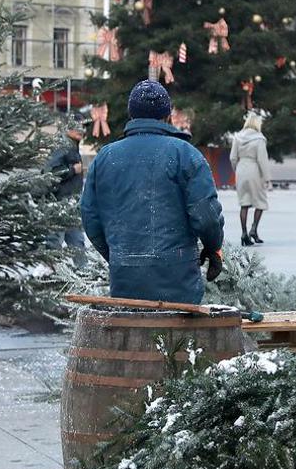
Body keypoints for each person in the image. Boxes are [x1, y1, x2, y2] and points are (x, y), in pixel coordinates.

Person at [80, 80, 225, 303]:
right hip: (178, 279)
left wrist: (118, 255)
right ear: (167, 115)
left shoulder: (105, 158)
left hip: (125, 279)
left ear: (131, 115)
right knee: (177, 337)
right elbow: (205, 215)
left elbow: (90, 216)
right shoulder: (185, 154)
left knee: (133, 336)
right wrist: (213, 247)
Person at [45, 123, 87, 263]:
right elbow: (50, 173)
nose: (82, 130)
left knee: (77, 241)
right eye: (77, 127)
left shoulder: (72, 146)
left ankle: (83, 275)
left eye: (84, 127)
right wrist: (72, 170)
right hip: (59, 203)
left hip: (71, 204)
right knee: (54, 241)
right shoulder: (62, 146)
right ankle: (49, 273)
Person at [229, 112, 272, 246]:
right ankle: (254, 229)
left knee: (244, 203)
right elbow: (262, 160)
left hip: (241, 169)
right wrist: (267, 178)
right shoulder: (259, 139)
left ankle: (244, 233)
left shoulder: (237, 137)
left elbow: (232, 157)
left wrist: (237, 169)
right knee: (260, 201)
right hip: (254, 169)